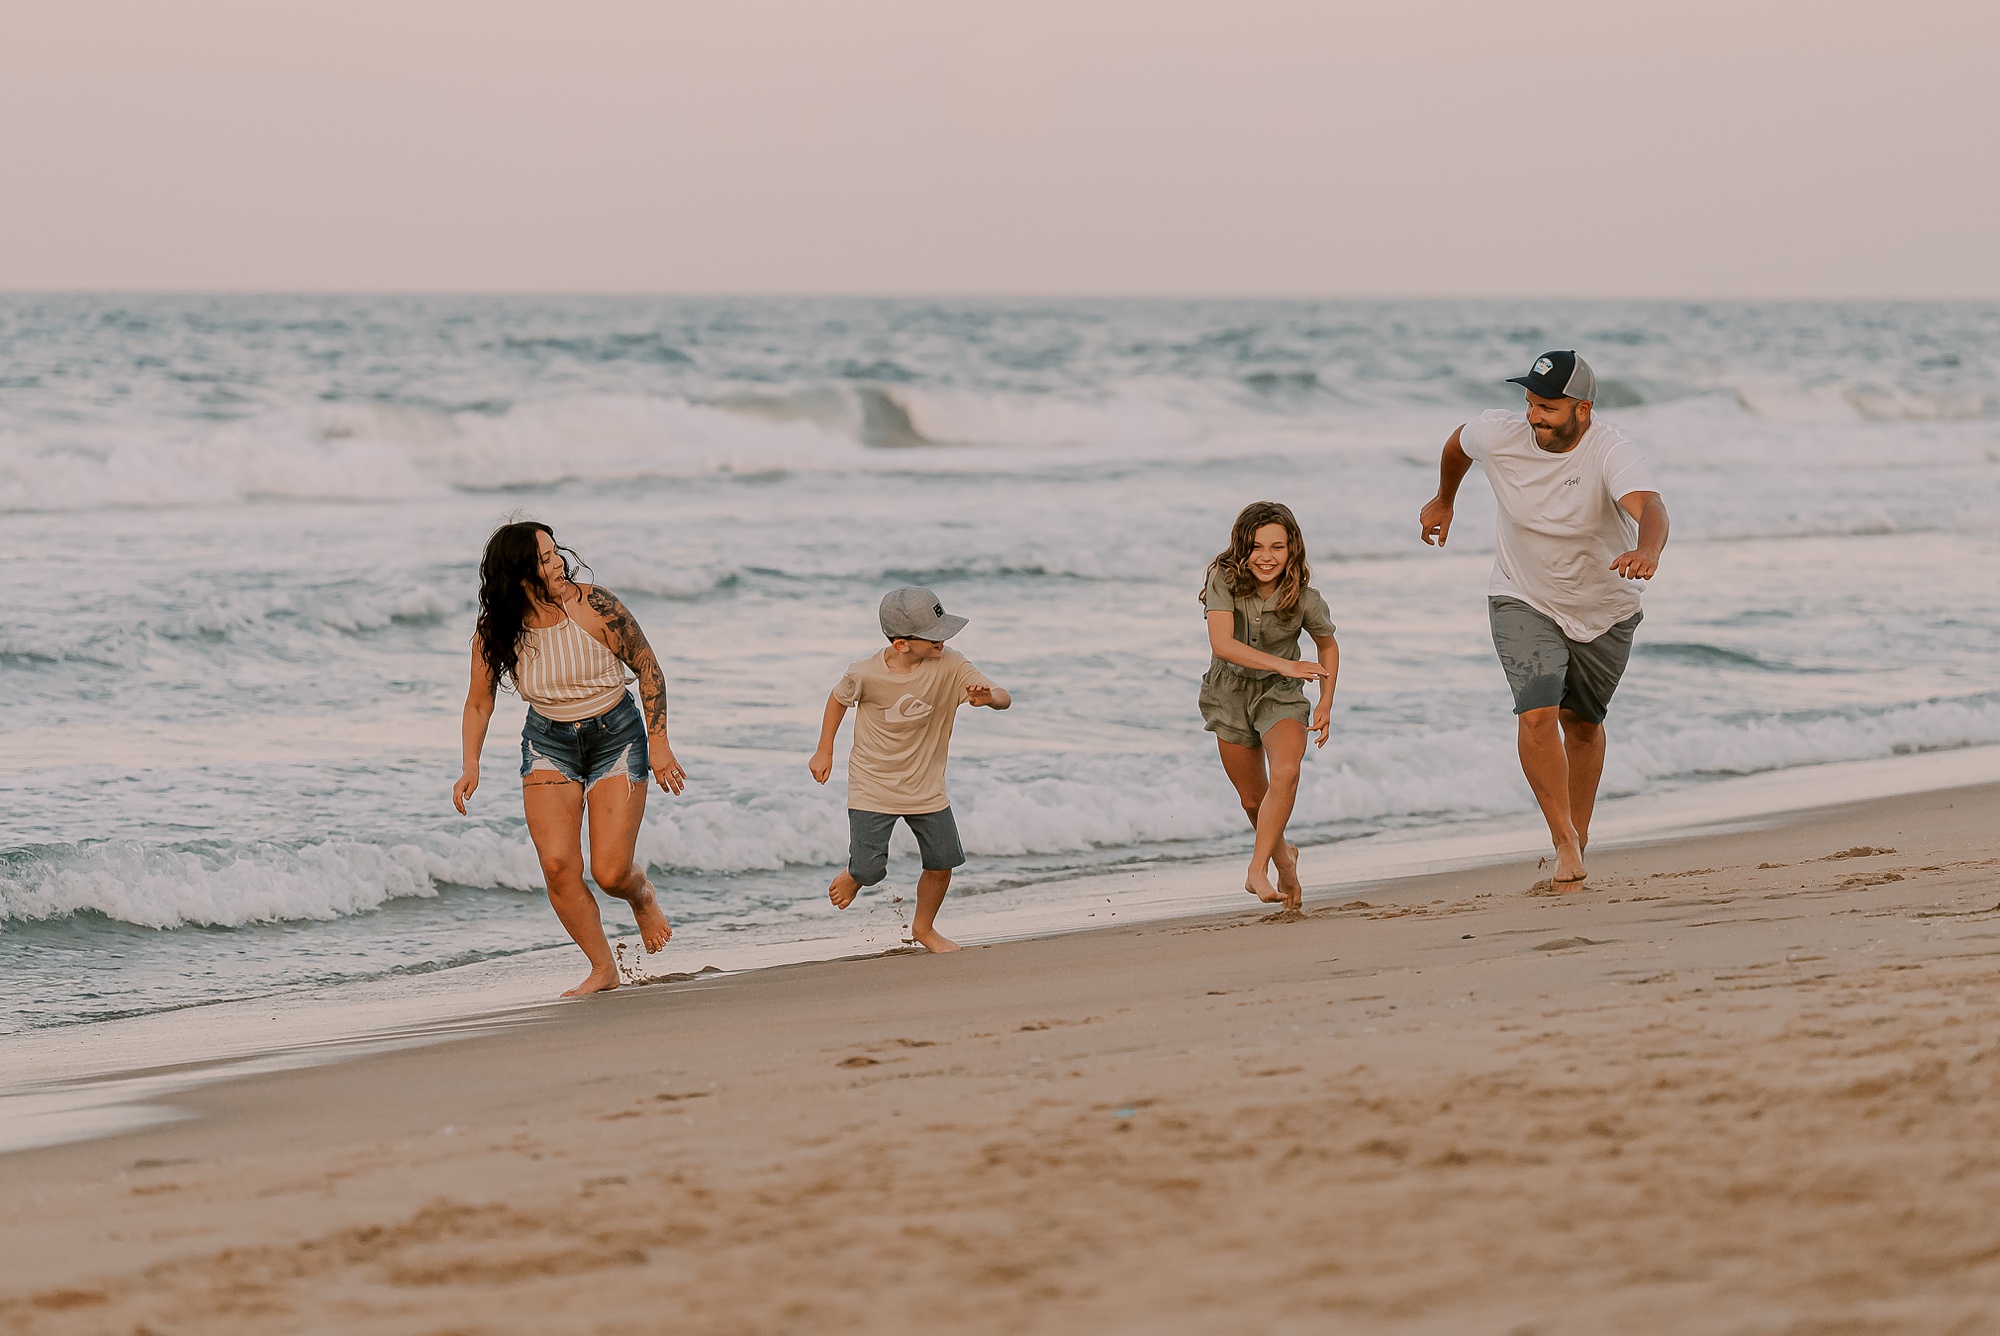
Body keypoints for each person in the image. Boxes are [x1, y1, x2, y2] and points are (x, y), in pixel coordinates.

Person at [1419, 350, 1669, 888]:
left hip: (1604, 606)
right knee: (1536, 713)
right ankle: (1564, 843)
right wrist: (1444, 501)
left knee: (1583, 724)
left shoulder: (1611, 449)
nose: (1534, 416)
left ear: (1583, 409)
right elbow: (1456, 444)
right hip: (1521, 593)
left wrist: (1648, 551)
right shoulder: (1500, 433)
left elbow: (1651, 507)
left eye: (1548, 407)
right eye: (1530, 403)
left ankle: (1579, 831)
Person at [452, 520, 687, 996]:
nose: (558, 562)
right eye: (544, 558)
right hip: (548, 742)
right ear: (520, 574)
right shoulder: (497, 629)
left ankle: (641, 895)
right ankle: (603, 968)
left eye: (556, 552)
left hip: (616, 735)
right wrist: (469, 764)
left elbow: (647, 667)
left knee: (610, 872)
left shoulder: (595, 604)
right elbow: (479, 702)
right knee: (558, 866)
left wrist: (659, 745)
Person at [809, 587, 1010, 953]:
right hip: (873, 784)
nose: (944, 639)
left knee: (944, 861)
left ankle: (924, 928)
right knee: (870, 871)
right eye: (934, 634)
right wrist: (824, 750)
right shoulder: (865, 673)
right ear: (902, 644)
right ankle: (856, 874)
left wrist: (988, 698)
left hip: (926, 785)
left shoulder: (950, 665)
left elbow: (1002, 696)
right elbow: (837, 700)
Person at [1199, 501, 1339, 912]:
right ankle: (1284, 858)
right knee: (1252, 801)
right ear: (1241, 548)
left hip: (1281, 695)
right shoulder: (1222, 579)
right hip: (1228, 694)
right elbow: (1221, 644)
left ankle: (1256, 870)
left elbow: (1328, 645)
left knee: (1287, 771)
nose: (1266, 556)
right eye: (1257, 546)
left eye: (1277, 547)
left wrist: (1326, 703)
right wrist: (1288, 663)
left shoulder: (1306, 598)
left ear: (1292, 548)